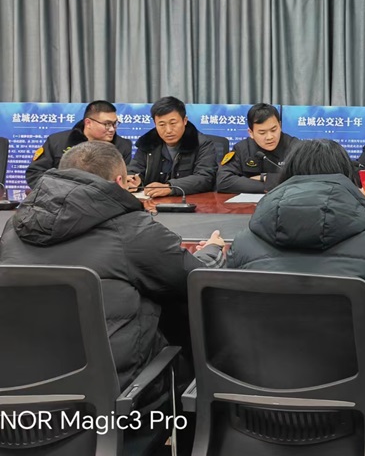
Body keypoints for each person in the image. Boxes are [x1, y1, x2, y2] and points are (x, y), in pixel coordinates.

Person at [227, 139, 365, 439]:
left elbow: (229, 306)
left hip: (257, 415)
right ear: (348, 177)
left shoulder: (244, 243)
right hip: (358, 420)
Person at [0, 141, 226, 395]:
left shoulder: (15, 227)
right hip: (111, 394)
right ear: (120, 182)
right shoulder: (133, 230)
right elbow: (196, 279)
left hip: (16, 386)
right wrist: (212, 250)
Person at [25, 100, 132, 189]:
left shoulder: (122, 146)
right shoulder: (57, 141)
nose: (112, 129)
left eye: (115, 123)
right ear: (88, 123)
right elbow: (34, 174)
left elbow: (123, 180)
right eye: (107, 124)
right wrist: (60, 191)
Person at [127, 96, 217, 197]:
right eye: (162, 124)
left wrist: (171, 187)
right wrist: (133, 180)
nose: (168, 130)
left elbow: (205, 178)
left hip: (189, 201)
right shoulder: (148, 142)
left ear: (185, 120)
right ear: (155, 124)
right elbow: (134, 169)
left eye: (173, 123)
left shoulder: (202, 143)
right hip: (153, 201)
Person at [216, 103, 300, 194]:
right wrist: (267, 187)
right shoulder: (242, 149)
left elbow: (306, 179)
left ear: (280, 126)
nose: (269, 137)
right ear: (251, 133)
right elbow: (223, 181)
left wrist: (265, 178)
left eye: (273, 130)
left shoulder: (295, 147)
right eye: (262, 133)